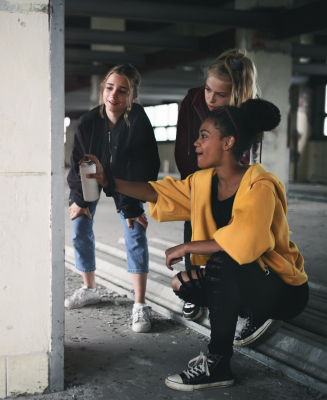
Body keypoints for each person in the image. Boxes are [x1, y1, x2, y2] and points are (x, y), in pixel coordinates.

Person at [85, 99, 309, 390]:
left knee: (222, 262)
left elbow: (244, 244)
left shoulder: (260, 184)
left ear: (228, 142)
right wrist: (109, 181)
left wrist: (187, 247)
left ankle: (218, 364)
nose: (195, 143)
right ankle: (252, 311)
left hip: (284, 289)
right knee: (184, 284)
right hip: (251, 278)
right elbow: (158, 191)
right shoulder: (203, 182)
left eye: (204, 136)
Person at [66, 64, 160, 333]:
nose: (113, 95)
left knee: (135, 228)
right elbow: (77, 165)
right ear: (103, 88)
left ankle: (140, 304)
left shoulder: (139, 121)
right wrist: (80, 201)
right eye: (109, 88)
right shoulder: (87, 122)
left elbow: (145, 167)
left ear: (134, 95)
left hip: (124, 180)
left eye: (122, 90)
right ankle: (90, 287)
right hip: (92, 177)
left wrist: (130, 206)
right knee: (79, 223)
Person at [174, 49, 260, 321]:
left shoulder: (250, 110)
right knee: (196, 232)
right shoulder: (193, 99)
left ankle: (238, 293)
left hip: (234, 181)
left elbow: (253, 154)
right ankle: (195, 293)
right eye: (208, 89)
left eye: (220, 95)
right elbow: (184, 146)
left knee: (234, 238)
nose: (210, 99)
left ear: (237, 92)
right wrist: (196, 184)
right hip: (198, 178)